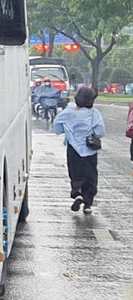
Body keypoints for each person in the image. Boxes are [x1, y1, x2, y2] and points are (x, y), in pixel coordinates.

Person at [52, 86, 105, 214]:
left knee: (75, 173)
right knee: (90, 175)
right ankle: (88, 204)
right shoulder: (95, 114)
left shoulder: (68, 112)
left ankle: (78, 193)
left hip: (73, 149)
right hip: (90, 150)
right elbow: (100, 132)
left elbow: (57, 128)